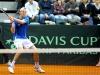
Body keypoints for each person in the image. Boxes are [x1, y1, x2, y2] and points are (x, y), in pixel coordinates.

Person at [8, 7, 45, 74]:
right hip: (17, 38)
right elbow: (13, 31)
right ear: (20, 12)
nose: (25, 12)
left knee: (36, 51)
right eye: (23, 11)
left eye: (25, 11)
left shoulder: (26, 18)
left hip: (24, 38)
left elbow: (22, 22)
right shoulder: (16, 20)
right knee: (20, 49)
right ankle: (11, 65)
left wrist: (14, 19)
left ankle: (37, 67)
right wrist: (12, 24)